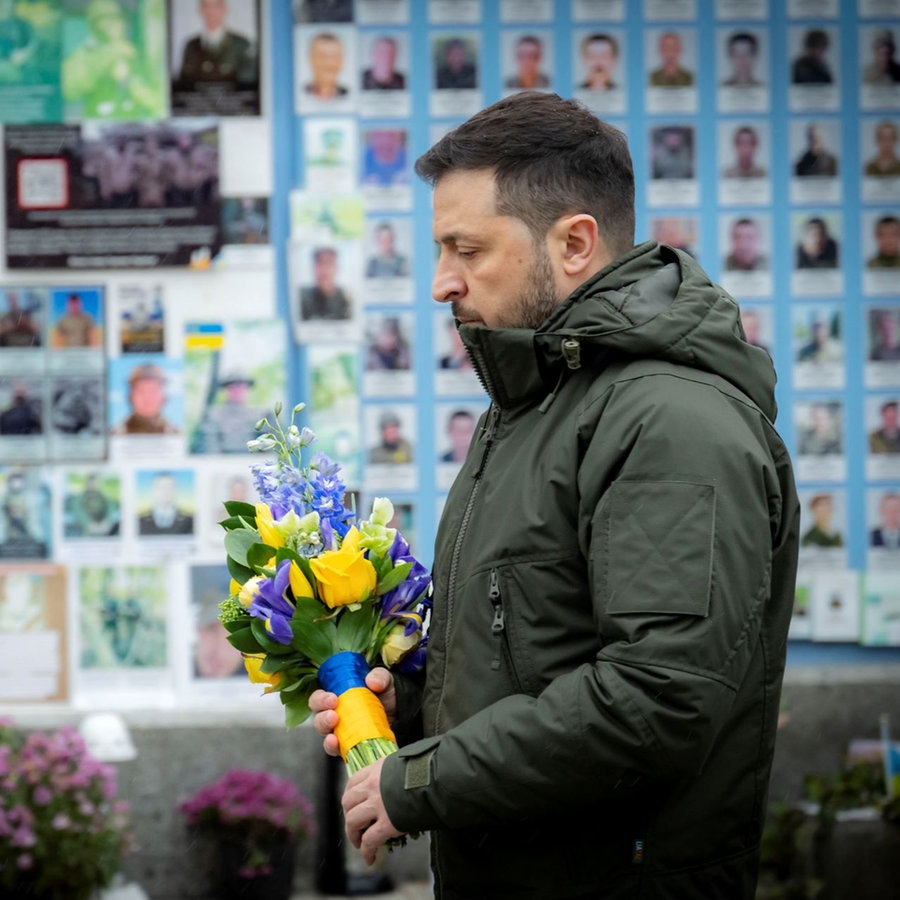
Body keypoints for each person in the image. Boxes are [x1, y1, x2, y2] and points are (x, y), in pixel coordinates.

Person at [309, 91, 800, 899]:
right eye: (440, 250)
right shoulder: (534, 406)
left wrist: (422, 781)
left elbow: (656, 701)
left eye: (466, 250)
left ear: (574, 243)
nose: (441, 283)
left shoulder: (670, 422)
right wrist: (411, 711)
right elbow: (536, 656)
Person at [61, 0, 162, 119]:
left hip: (132, 127)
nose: (110, 24)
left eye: (115, 17)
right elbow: (68, 87)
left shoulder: (136, 54)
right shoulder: (84, 55)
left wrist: (127, 81)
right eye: (102, 18)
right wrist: (112, 52)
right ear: (92, 25)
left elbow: (157, 105)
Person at [176, 0, 257, 86]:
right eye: (206, 6)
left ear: (224, 8)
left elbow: (247, 86)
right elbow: (184, 86)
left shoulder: (241, 44)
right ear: (200, 10)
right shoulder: (191, 46)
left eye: (216, 6)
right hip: (198, 98)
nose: (210, 11)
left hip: (233, 98)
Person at [198, 370, 266, 454]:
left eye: (241, 386)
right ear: (226, 389)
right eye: (232, 387)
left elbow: (267, 448)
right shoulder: (213, 415)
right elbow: (210, 447)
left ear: (247, 389)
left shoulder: (260, 415)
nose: (237, 390)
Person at [111, 363, 180, 435]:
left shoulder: (176, 434)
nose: (147, 397)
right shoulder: (115, 434)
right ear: (131, 396)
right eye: (141, 391)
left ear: (163, 397)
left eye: (153, 391)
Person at [299, 247, 351, 320]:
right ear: (314, 268)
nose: (324, 270)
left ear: (336, 268)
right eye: (320, 263)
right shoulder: (302, 298)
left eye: (329, 263)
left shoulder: (348, 300)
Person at [138, 471, 194, 536]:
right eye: (160, 487)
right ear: (153, 491)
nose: (165, 491)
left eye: (170, 487)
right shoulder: (139, 521)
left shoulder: (190, 521)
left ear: (176, 491)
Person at [304, 31, 347, 98]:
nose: (329, 63)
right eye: (322, 56)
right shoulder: (302, 93)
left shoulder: (347, 94)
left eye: (335, 57)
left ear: (342, 61)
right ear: (311, 59)